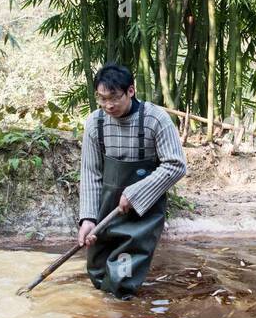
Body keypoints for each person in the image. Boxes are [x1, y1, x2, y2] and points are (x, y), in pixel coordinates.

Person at [77, 62, 187, 299]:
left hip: (141, 216)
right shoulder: (95, 123)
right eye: (102, 98)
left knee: (121, 280)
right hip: (106, 211)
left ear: (131, 91)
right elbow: (90, 173)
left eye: (114, 97)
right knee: (97, 273)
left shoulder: (156, 119)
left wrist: (135, 193)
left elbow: (176, 165)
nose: (108, 105)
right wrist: (87, 219)